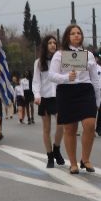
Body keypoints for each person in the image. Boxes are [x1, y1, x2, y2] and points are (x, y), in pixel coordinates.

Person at [47, 25, 100, 173]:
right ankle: (73, 163)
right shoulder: (60, 54)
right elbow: (51, 75)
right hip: (67, 91)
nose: (76, 35)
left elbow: (95, 79)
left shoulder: (88, 54)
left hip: (85, 90)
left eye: (79, 33)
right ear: (67, 36)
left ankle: (86, 159)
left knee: (89, 125)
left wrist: (98, 99)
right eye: (73, 33)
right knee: (70, 128)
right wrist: (65, 77)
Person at [33, 35, 66, 167]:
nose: (53, 45)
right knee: (46, 129)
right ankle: (50, 156)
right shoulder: (39, 62)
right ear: (45, 45)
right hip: (45, 97)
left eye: (54, 43)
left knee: (61, 124)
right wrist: (37, 95)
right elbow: (36, 81)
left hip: (58, 97)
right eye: (50, 43)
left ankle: (56, 148)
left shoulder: (61, 60)